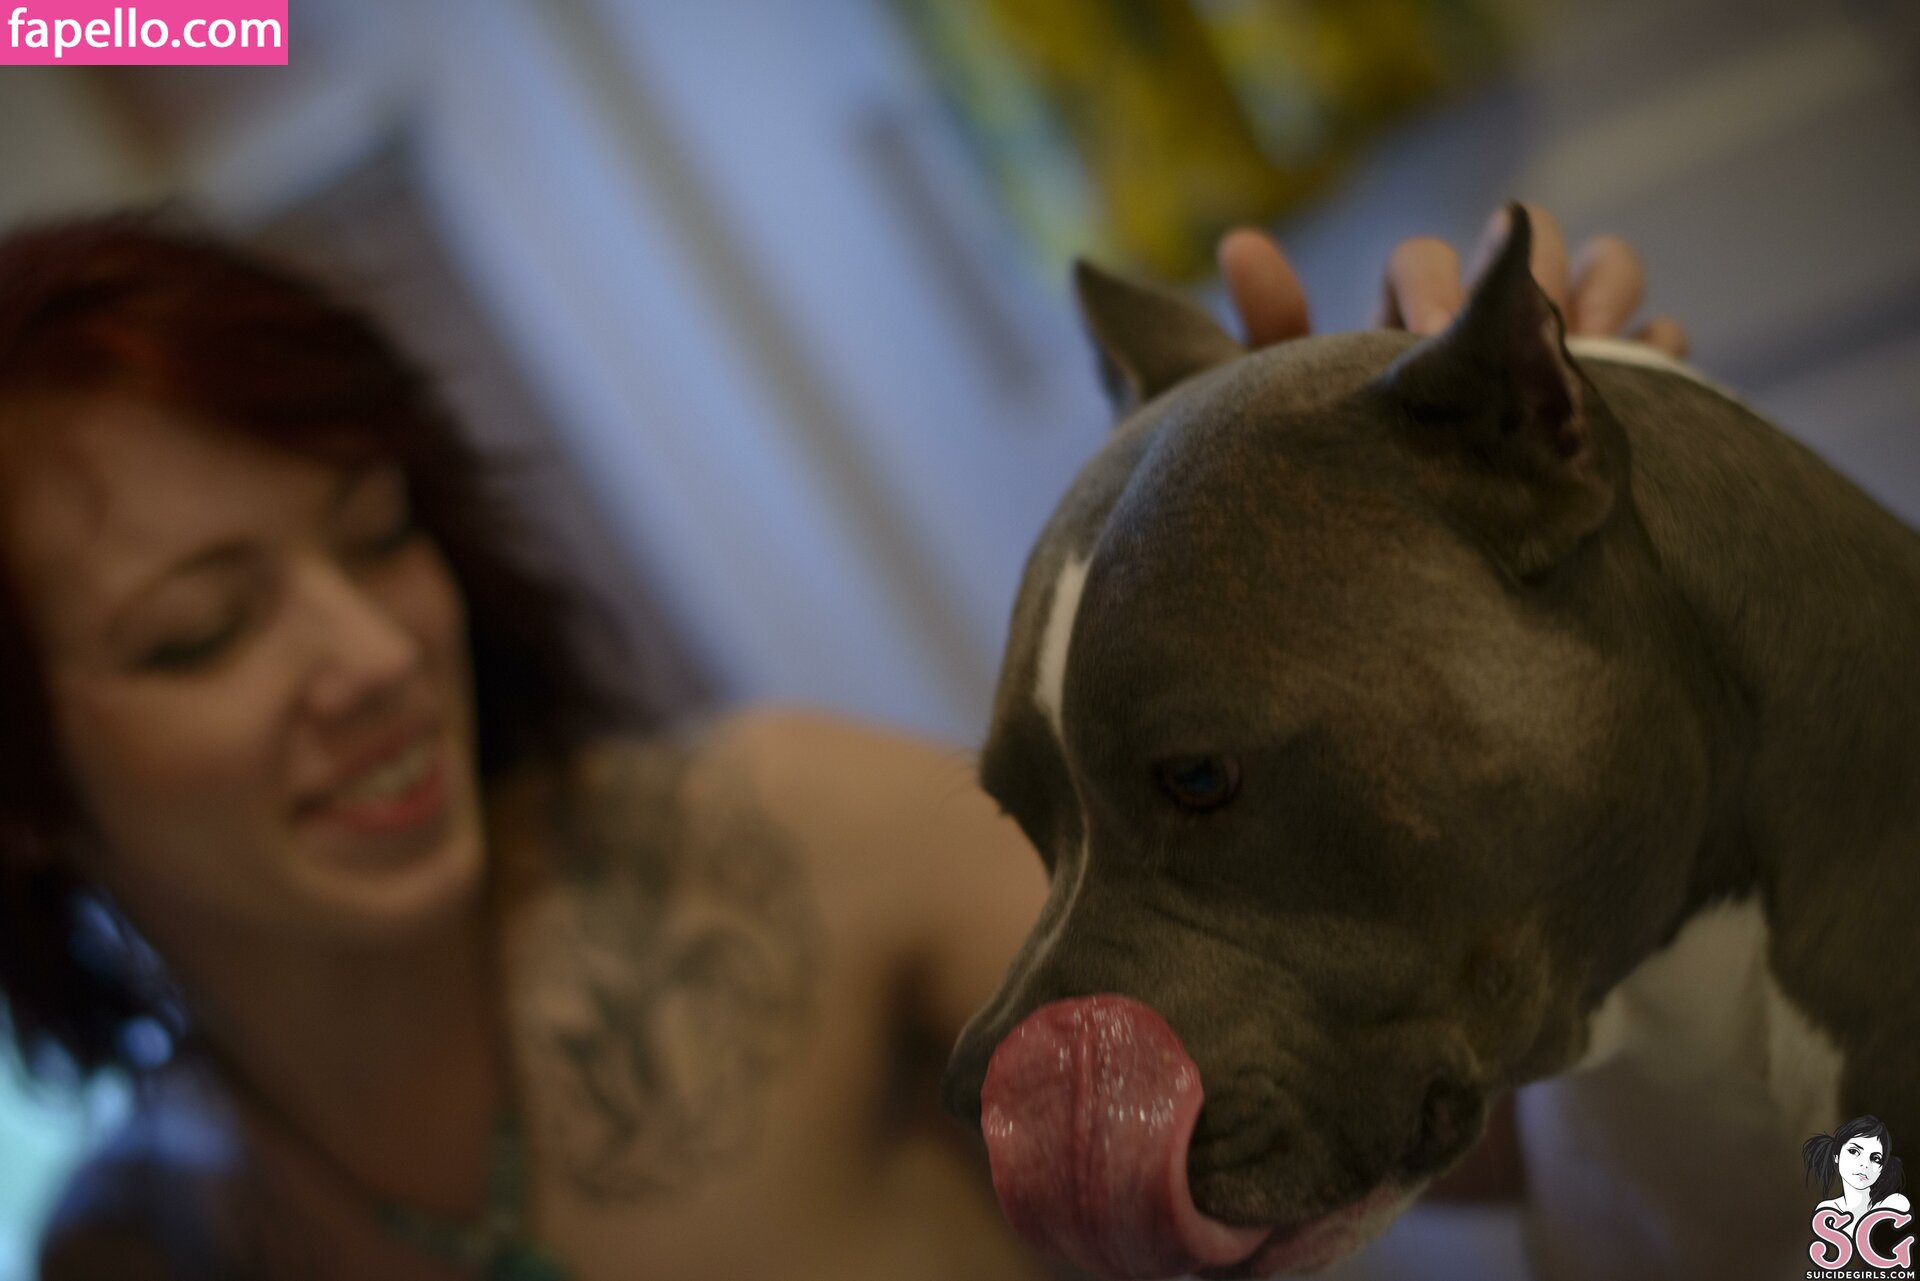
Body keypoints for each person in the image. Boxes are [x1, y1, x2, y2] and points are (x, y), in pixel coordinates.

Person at [0, 203, 1680, 1280]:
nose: (375, 655)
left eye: (377, 537)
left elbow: (1506, 1142)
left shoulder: (790, 838)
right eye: (199, 631)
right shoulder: (127, 1242)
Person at [1806, 1116, 1911, 1227]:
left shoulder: (1894, 1204)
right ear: (1836, 1156)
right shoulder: (1827, 1211)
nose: (1865, 1164)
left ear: (1882, 1168)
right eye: (1854, 1151)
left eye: (1875, 1158)